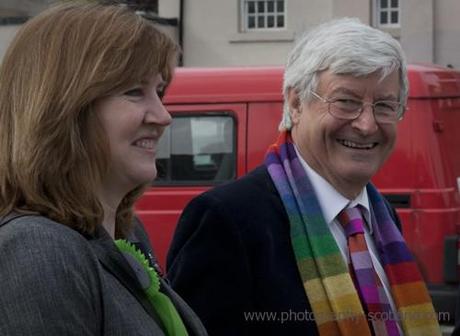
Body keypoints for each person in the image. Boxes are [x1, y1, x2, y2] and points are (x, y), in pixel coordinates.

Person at [167, 18, 440, 335]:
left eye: (384, 105)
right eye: (346, 102)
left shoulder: (383, 217)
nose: (367, 124)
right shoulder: (227, 221)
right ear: (296, 104)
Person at [0, 2, 207, 336]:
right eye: (134, 92)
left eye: (158, 91)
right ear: (64, 108)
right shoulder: (37, 250)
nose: (163, 116)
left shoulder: (126, 232)